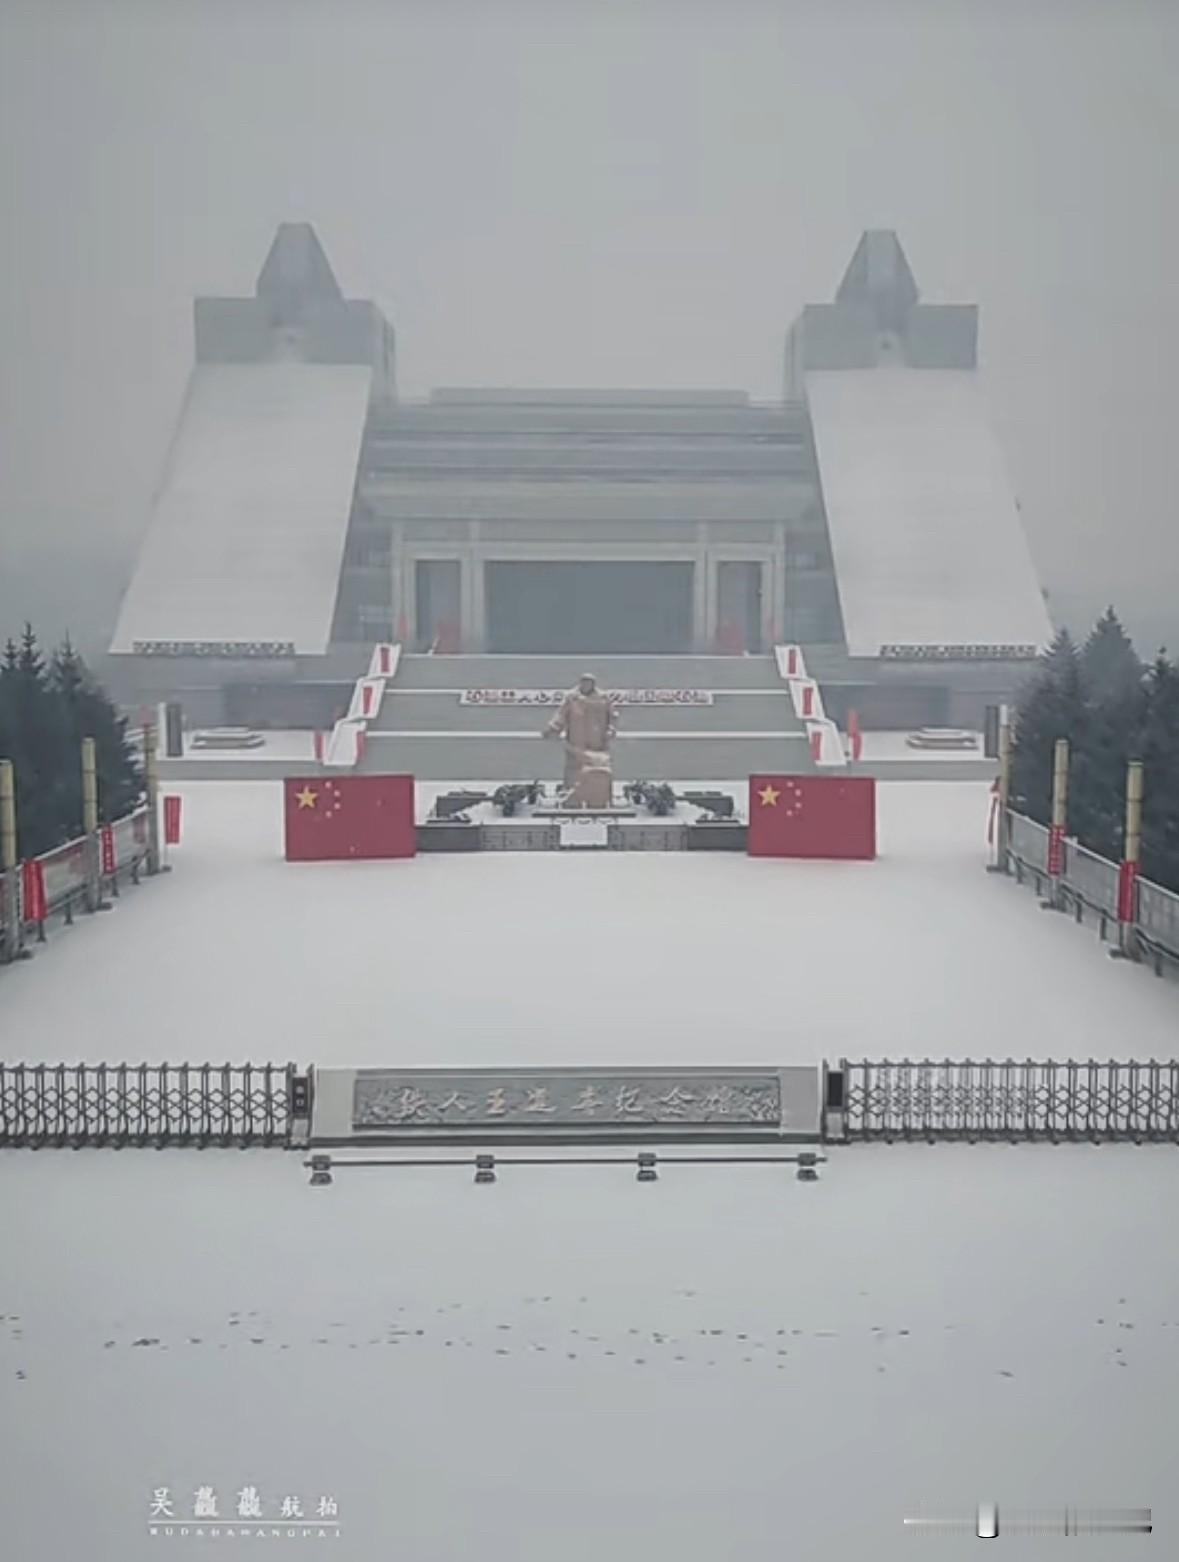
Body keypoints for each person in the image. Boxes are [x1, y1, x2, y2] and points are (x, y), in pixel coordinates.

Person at [543, 673, 618, 791]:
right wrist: (553, 728)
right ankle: (571, 793)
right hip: (576, 741)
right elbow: (561, 714)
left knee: (598, 769)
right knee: (574, 770)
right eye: (584, 682)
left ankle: (598, 795)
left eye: (589, 682)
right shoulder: (572, 697)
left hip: (597, 741)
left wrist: (611, 729)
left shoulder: (603, 698)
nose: (586, 684)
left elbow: (612, 716)